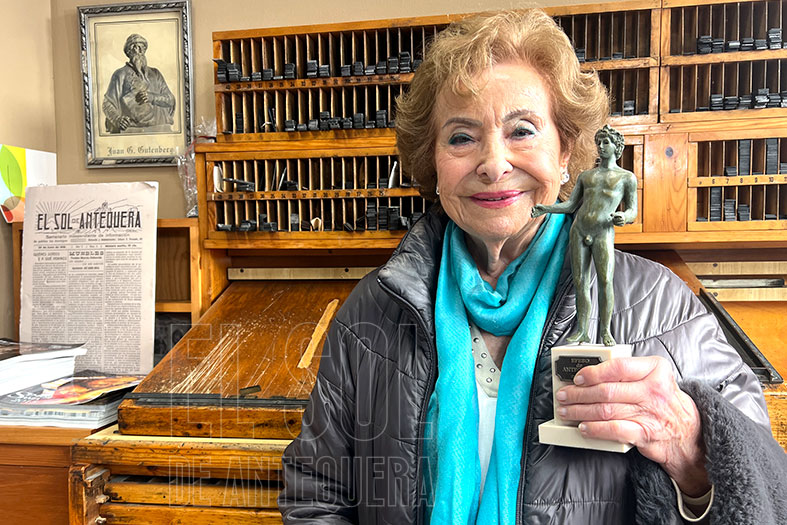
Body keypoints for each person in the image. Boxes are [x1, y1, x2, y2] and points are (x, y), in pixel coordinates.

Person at [279, 10, 787, 524]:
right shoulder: (372, 313)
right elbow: (317, 492)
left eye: (522, 131)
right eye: (461, 137)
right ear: (432, 163)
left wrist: (690, 447)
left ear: (566, 151)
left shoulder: (663, 308)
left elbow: (766, 496)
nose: (493, 164)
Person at [531, 124, 637, 346]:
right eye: (599, 142)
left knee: (605, 281)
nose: (601, 147)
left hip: (603, 231)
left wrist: (624, 217)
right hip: (579, 230)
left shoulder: (626, 178)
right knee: (580, 282)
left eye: (606, 142)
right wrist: (545, 208)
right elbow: (570, 205)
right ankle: (582, 330)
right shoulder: (586, 176)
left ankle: (605, 331)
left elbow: (632, 210)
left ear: (617, 147)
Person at [102, 34, 176, 134]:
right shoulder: (120, 74)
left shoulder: (155, 74)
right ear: (129, 51)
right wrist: (118, 119)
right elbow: (107, 103)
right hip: (133, 131)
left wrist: (152, 97)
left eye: (143, 47)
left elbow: (170, 100)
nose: (140, 51)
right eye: (136, 47)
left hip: (161, 128)